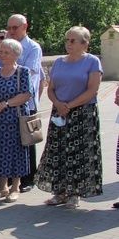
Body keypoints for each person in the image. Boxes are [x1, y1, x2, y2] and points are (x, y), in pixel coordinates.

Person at [35, 27, 103, 210]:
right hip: (60, 112)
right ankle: (60, 192)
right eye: (67, 40)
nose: (69, 44)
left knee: (79, 154)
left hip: (82, 113)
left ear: (85, 44)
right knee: (58, 152)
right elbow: (51, 88)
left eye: (73, 41)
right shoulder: (59, 62)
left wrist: (69, 105)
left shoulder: (92, 62)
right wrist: (58, 104)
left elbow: (92, 90)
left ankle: (75, 194)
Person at [1, 14, 43, 192]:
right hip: (5, 102)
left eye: (15, 28)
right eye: (9, 28)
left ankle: (28, 178)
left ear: (25, 27)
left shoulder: (33, 48)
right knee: (8, 141)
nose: (11, 31)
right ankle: (8, 177)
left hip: (25, 102)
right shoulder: (5, 46)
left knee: (26, 140)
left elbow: (30, 72)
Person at [0, 39, 31, 203]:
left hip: (15, 119)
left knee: (15, 152)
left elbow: (26, 94)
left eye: (7, 52)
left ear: (16, 55)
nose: (2, 55)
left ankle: (15, 187)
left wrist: (5, 104)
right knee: (0, 152)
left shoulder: (22, 72)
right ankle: (2, 186)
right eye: (1, 52)